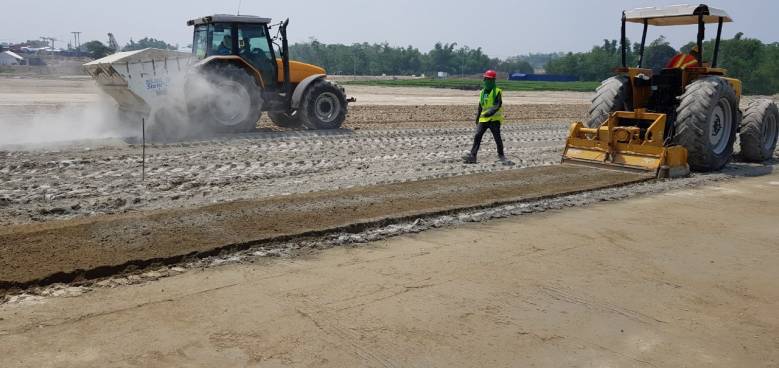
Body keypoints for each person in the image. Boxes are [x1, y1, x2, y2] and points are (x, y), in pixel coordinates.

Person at [462, 70, 510, 164]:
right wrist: (478, 117)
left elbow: (497, 105)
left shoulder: (497, 91)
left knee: (497, 138)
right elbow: (480, 106)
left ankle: (501, 155)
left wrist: (489, 112)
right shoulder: (482, 92)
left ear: (493, 81)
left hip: (494, 119)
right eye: (485, 79)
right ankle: (473, 156)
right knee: (477, 136)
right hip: (483, 119)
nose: (486, 81)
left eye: (488, 79)